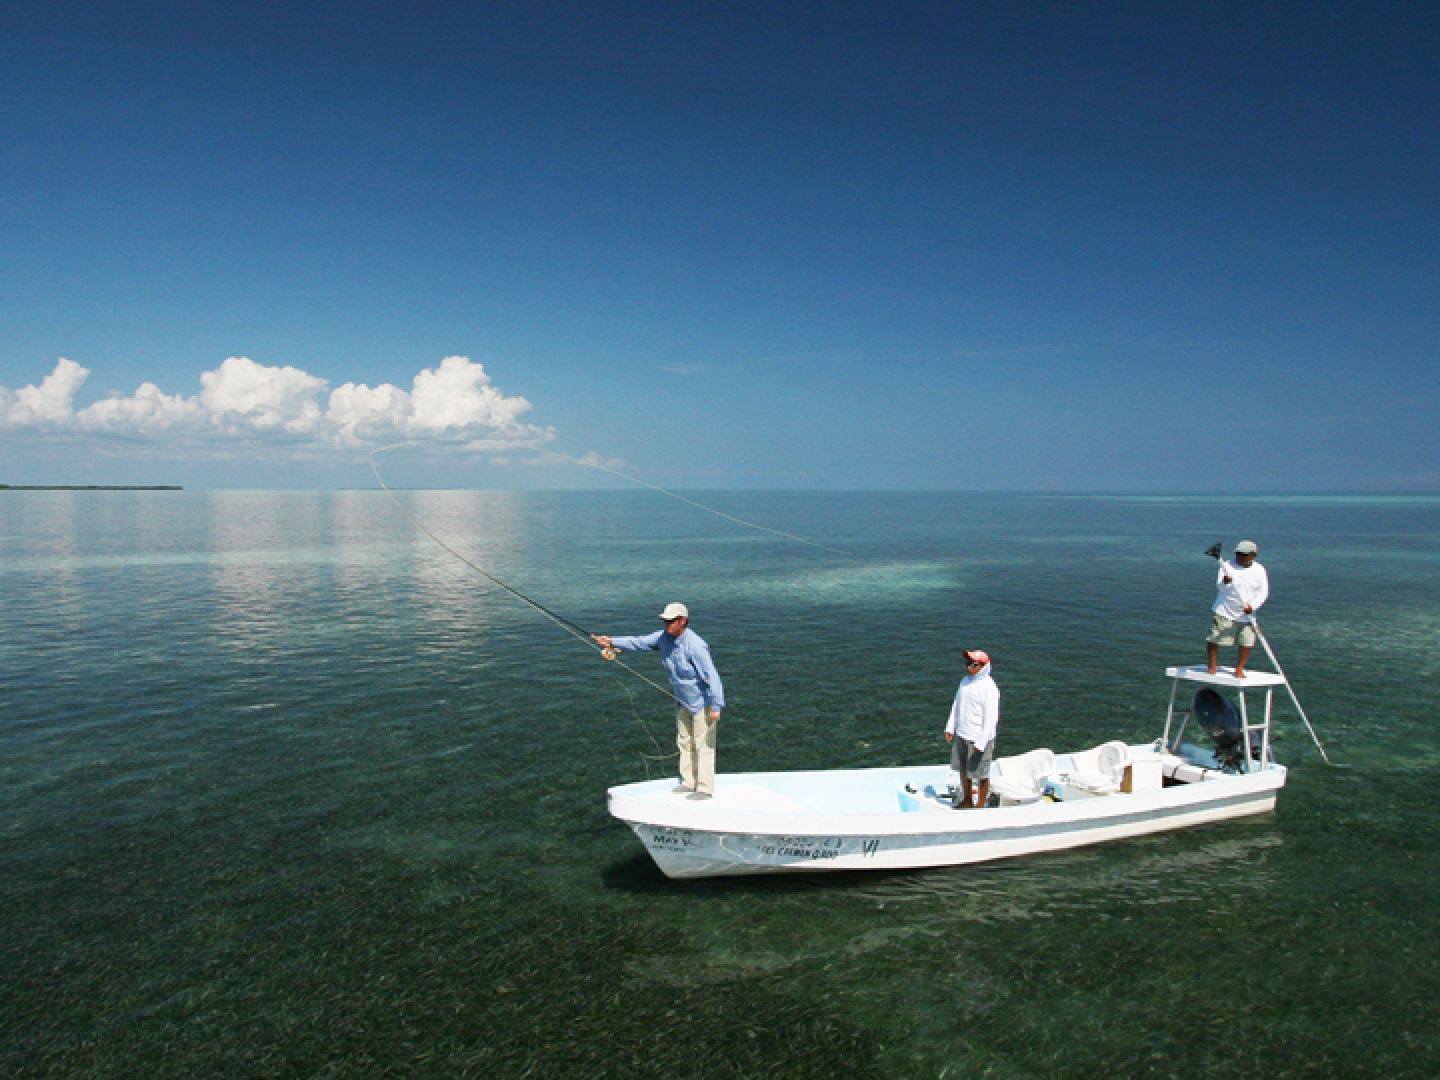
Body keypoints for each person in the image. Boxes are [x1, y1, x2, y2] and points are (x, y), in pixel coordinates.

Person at [592, 603, 725, 800]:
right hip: (682, 702)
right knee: (684, 742)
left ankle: (704, 788)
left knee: (703, 745)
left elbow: (711, 676)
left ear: (683, 621)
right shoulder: (663, 638)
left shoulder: (696, 645)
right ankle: (689, 782)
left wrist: (716, 705)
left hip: (702, 704)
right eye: (665, 621)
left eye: (671, 621)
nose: (667, 625)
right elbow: (639, 642)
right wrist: (612, 641)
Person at [944, 649, 1000, 809]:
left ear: (983, 666)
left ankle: (980, 805)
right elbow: (957, 703)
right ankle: (967, 800)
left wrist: (981, 743)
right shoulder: (965, 681)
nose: (969, 667)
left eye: (973, 664)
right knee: (963, 769)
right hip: (962, 735)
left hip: (978, 739)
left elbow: (991, 718)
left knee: (981, 774)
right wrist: (950, 727)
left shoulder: (989, 687)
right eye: (967, 663)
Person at [1206, 540, 1269, 678]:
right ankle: (1212, 666)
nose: (1240, 556)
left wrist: (1252, 607)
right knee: (1215, 639)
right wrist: (1225, 582)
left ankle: (1239, 669)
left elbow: (1263, 592)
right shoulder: (1226, 566)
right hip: (1225, 611)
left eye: (1244, 554)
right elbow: (1220, 587)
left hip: (1247, 615)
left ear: (1253, 555)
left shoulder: (1260, 570)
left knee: (1247, 641)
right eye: (1238, 553)